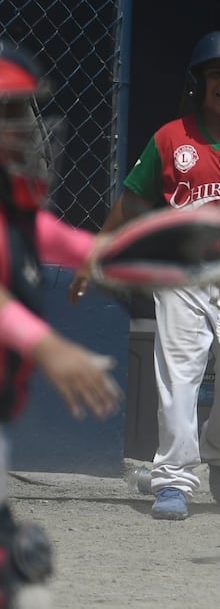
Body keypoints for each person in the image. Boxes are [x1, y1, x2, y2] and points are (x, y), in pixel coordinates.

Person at [68, 30, 220, 522]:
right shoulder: (171, 136)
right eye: (217, 72)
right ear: (199, 80)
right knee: (179, 374)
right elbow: (134, 201)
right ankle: (175, 478)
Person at [0, 40, 122, 606]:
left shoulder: (14, 208)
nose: (27, 127)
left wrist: (138, 256)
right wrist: (48, 346)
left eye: (27, 110)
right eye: (8, 113)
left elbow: (63, 241)